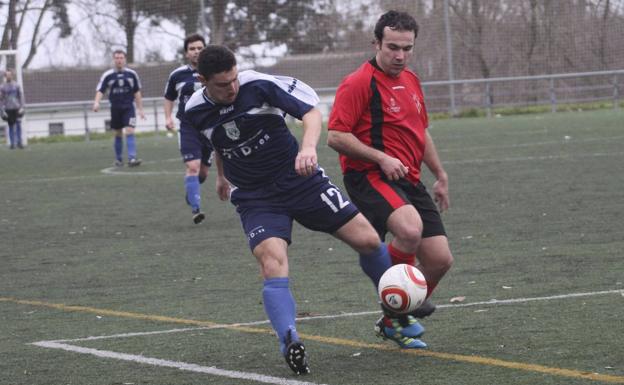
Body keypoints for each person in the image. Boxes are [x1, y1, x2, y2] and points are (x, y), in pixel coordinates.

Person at [183, 45, 396, 375]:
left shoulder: (258, 85)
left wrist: (307, 147)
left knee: (368, 239)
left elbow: (311, 112)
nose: (232, 88)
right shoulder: (194, 110)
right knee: (271, 262)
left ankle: (397, 308)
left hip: (300, 180)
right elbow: (218, 141)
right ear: (202, 80)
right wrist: (222, 178)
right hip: (255, 198)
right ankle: (290, 340)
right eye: (223, 84)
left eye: (234, 79)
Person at [327, 10, 454, 349]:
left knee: (440, 260)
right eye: (393, 47)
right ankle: (397, 314)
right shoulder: (358, 82)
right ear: (377, 43)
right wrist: (381, 157)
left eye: (407, 48)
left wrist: (440, 175)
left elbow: (420, 133)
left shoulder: (411, 80)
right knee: (409, 230)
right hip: (368, 174)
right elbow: (336, 136)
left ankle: (392, 315)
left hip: (408, 178)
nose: (400, 55)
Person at [164, 34, 213, 224]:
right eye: (192, 49)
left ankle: (191, 191)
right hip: (188, 127)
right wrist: (167, 117)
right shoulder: (177, 75)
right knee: (192, 167)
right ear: (186, 53)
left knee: (203, 173)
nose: (196, 52)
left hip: (209, 127)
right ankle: (196, 208)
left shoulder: (213, 72)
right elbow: (168, 97)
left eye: (200, 48)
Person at [93, 50, 145, 167]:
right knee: (118, 133)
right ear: (113, 60)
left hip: (128, 108)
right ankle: (118, 159)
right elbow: (101, 90)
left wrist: (140, 109)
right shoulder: (108, 75)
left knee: (130, 130)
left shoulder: (132, 74)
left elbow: (137, 92)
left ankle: (132, 158)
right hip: (115, 109)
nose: (119, 60)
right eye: (117, 58)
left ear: (125, 59)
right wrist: (96, 102)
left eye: (121, 58)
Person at [0, 69, 24, 149]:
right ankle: (12, 144)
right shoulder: (2, 87)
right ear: (5, 76)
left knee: (18, 125)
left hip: (16, 108)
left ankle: (19, 143)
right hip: (8, 109)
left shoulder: (16, 85)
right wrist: (2, 110)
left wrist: (22, 107)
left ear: (12, 75)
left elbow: (20, 97)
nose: (8, 76)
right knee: (10, 126)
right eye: (7, 75)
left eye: (10, 74)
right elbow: (1, 99)